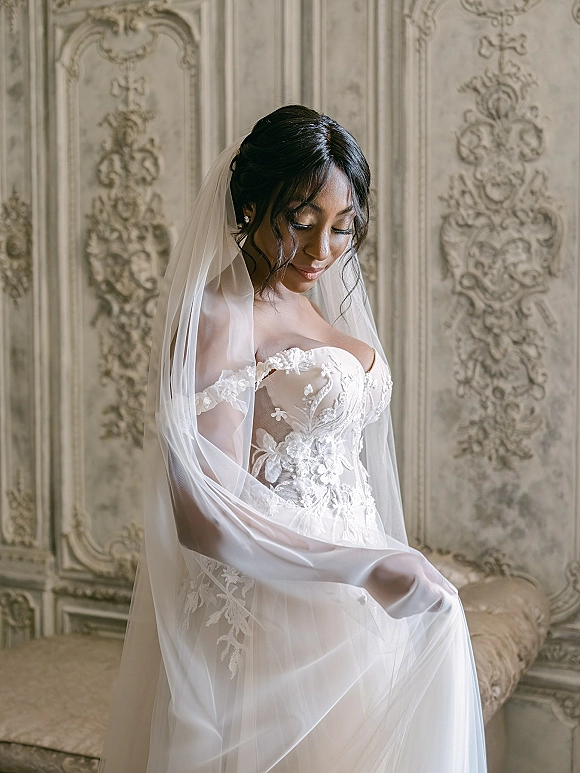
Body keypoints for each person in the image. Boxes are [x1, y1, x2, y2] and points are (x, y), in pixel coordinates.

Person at [98, 105, 487, 773]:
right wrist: (363, 564)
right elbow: (203, 517)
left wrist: (375, 564)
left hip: (350, 611)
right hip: (274, 623)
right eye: (302, 224)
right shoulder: (218, 319)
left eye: (342, 228)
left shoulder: (307, 298)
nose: (322, 252)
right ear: (251, 203)